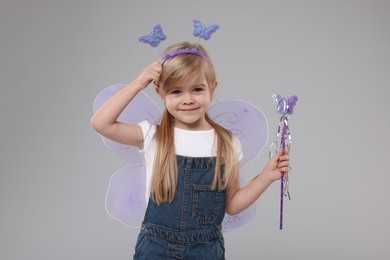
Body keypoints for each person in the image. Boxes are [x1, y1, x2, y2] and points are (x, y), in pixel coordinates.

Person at [91, 42, 290, 259]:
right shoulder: (153, 136)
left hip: (205, 250)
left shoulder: (227, 142)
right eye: (176, 91)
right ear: (161, 92)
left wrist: (265, 177)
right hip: (155, 249)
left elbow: (232, 205)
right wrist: (140, 82)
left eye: (197, 89)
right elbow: (101, 123)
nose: (188, 99)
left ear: (212, 88)